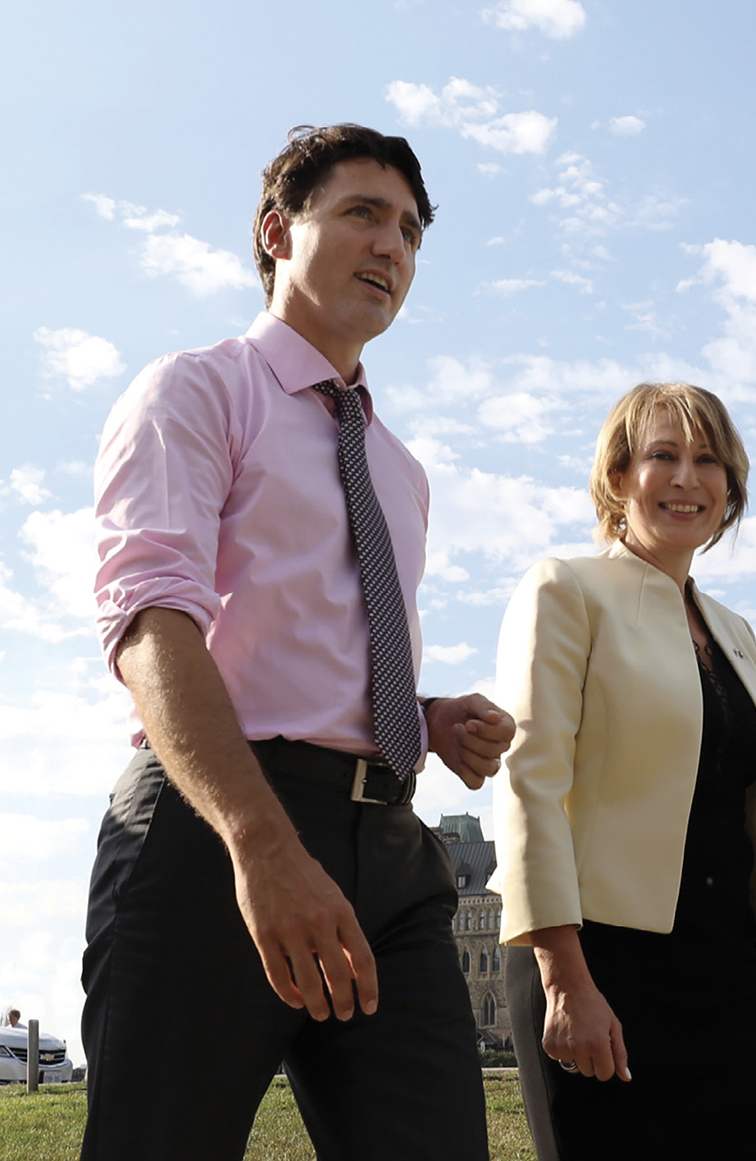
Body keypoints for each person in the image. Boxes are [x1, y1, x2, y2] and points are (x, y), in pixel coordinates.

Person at [83, 124, 514, 1160]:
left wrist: (422, 713)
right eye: (363, 213)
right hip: (214, 832)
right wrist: (262, 844)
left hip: (394, 858)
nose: (394, 247)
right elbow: (152, 630)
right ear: (278, 230)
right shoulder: (195, 392)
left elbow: (316, 646)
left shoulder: (400, 472)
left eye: (411, 231)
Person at [495, 382, 756, 1160]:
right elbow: (530, 785)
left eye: (708, 460)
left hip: (727, 967)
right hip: (600, 962)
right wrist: (564, 979)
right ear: (619, 478)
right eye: (664, 455)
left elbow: (737, 822)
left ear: (731, 488)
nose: (688, 477)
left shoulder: (735, 632)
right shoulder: (567, 590)